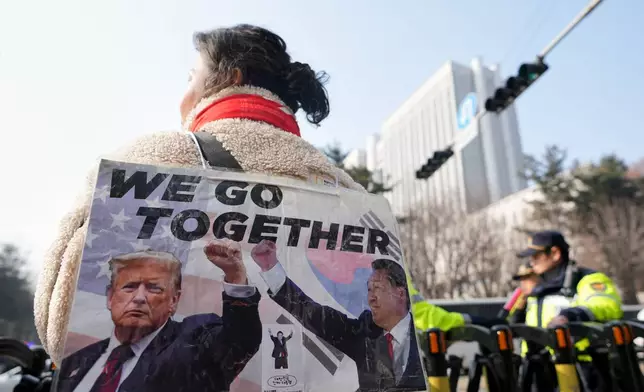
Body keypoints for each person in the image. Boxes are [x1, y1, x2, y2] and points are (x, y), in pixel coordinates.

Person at [34, 23, 365, 366]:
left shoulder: (149, 158)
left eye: (191, 77)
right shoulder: (344, 187)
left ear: (230, 78)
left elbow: (58, 322)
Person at [55, 239, 261, 392]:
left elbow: (239, 339)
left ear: (173, 300)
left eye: (153, 288)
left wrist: (235, 277)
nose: (139, 298)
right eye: (130, 287)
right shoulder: (77, 361)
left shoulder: (195, 339)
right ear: (110, 297)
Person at [251, 240, 425, 392]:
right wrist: (271, 269)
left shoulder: (425, 336)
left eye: (378, 288)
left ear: (400, 293)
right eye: (369, 289)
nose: (370, 298)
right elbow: (314, 315)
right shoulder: (365, 332)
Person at [516, 230, 623, 392]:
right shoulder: (538, 291)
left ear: (555, 253)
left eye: (536, 256)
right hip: (542, 372)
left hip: (585, 370)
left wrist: (569, 316)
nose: (532, 262)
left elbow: (606, 305)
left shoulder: (587, 279)